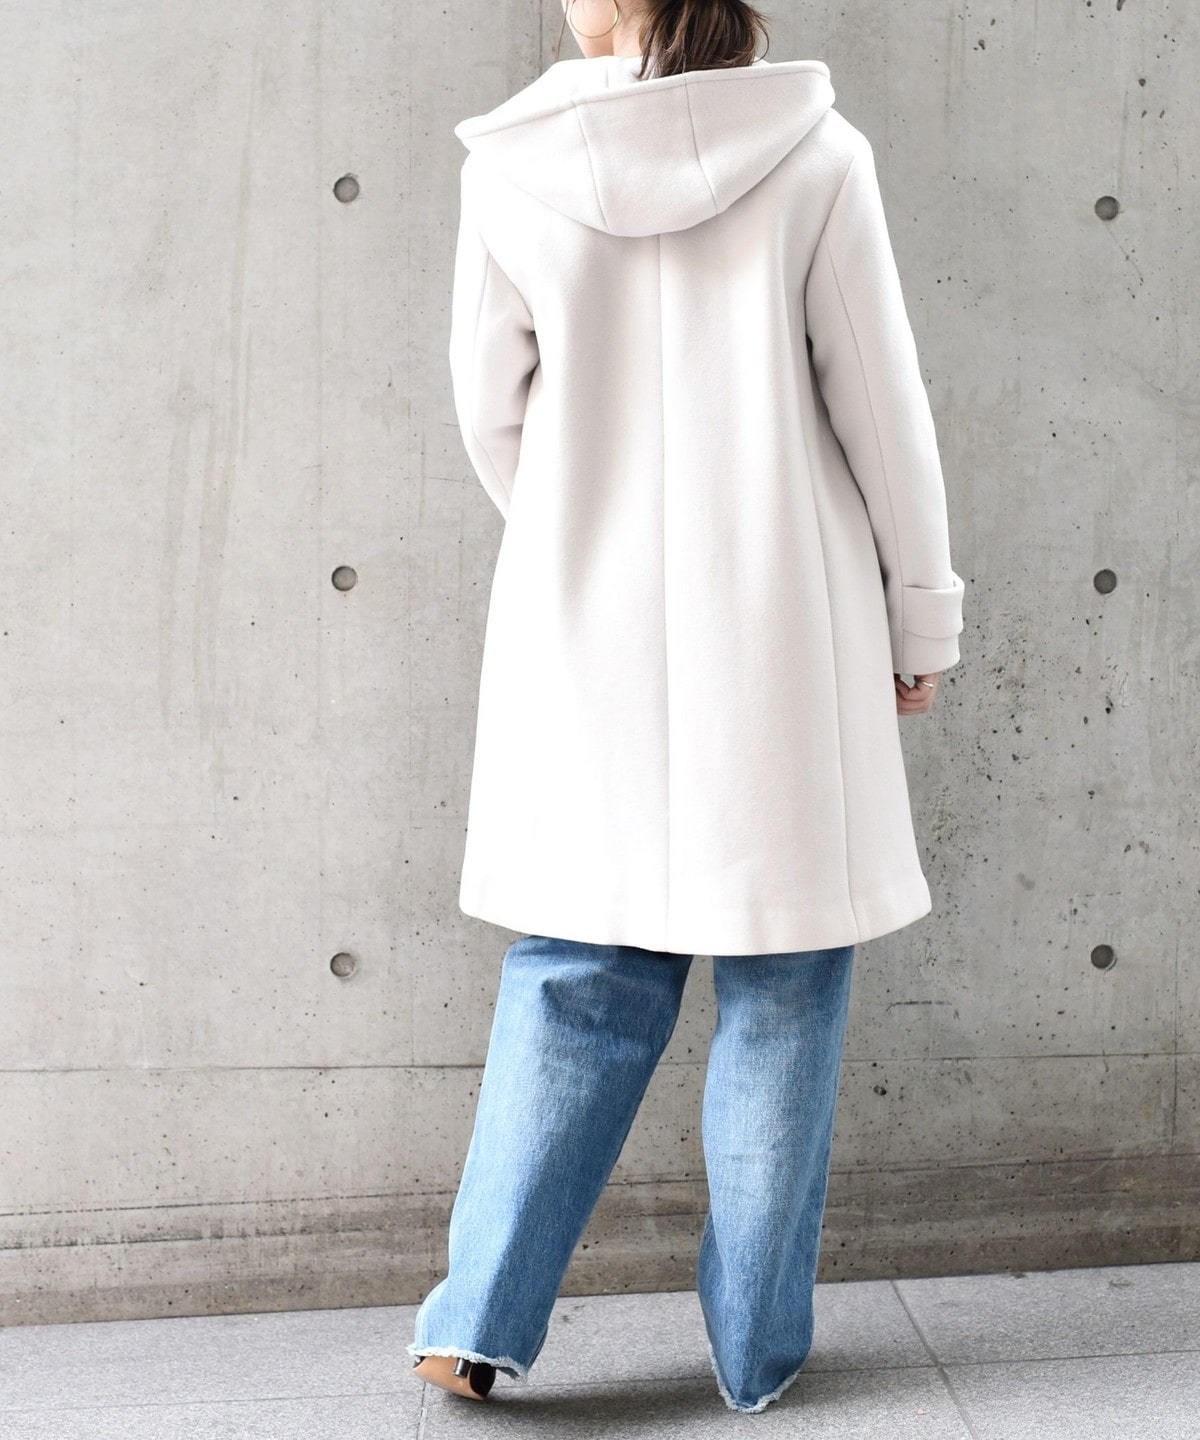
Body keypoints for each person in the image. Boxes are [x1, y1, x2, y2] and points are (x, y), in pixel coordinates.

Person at [410, 0, 965, 1415]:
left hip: (585, 625)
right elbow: (882, 408)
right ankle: (757, 1349)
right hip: (788, 620)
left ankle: (476, 1321)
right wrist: (919, 612)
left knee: (578, 966)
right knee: (786, 977)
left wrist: (581, 533)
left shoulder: (511, 168)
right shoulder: (816, 151)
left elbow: (490, 411)